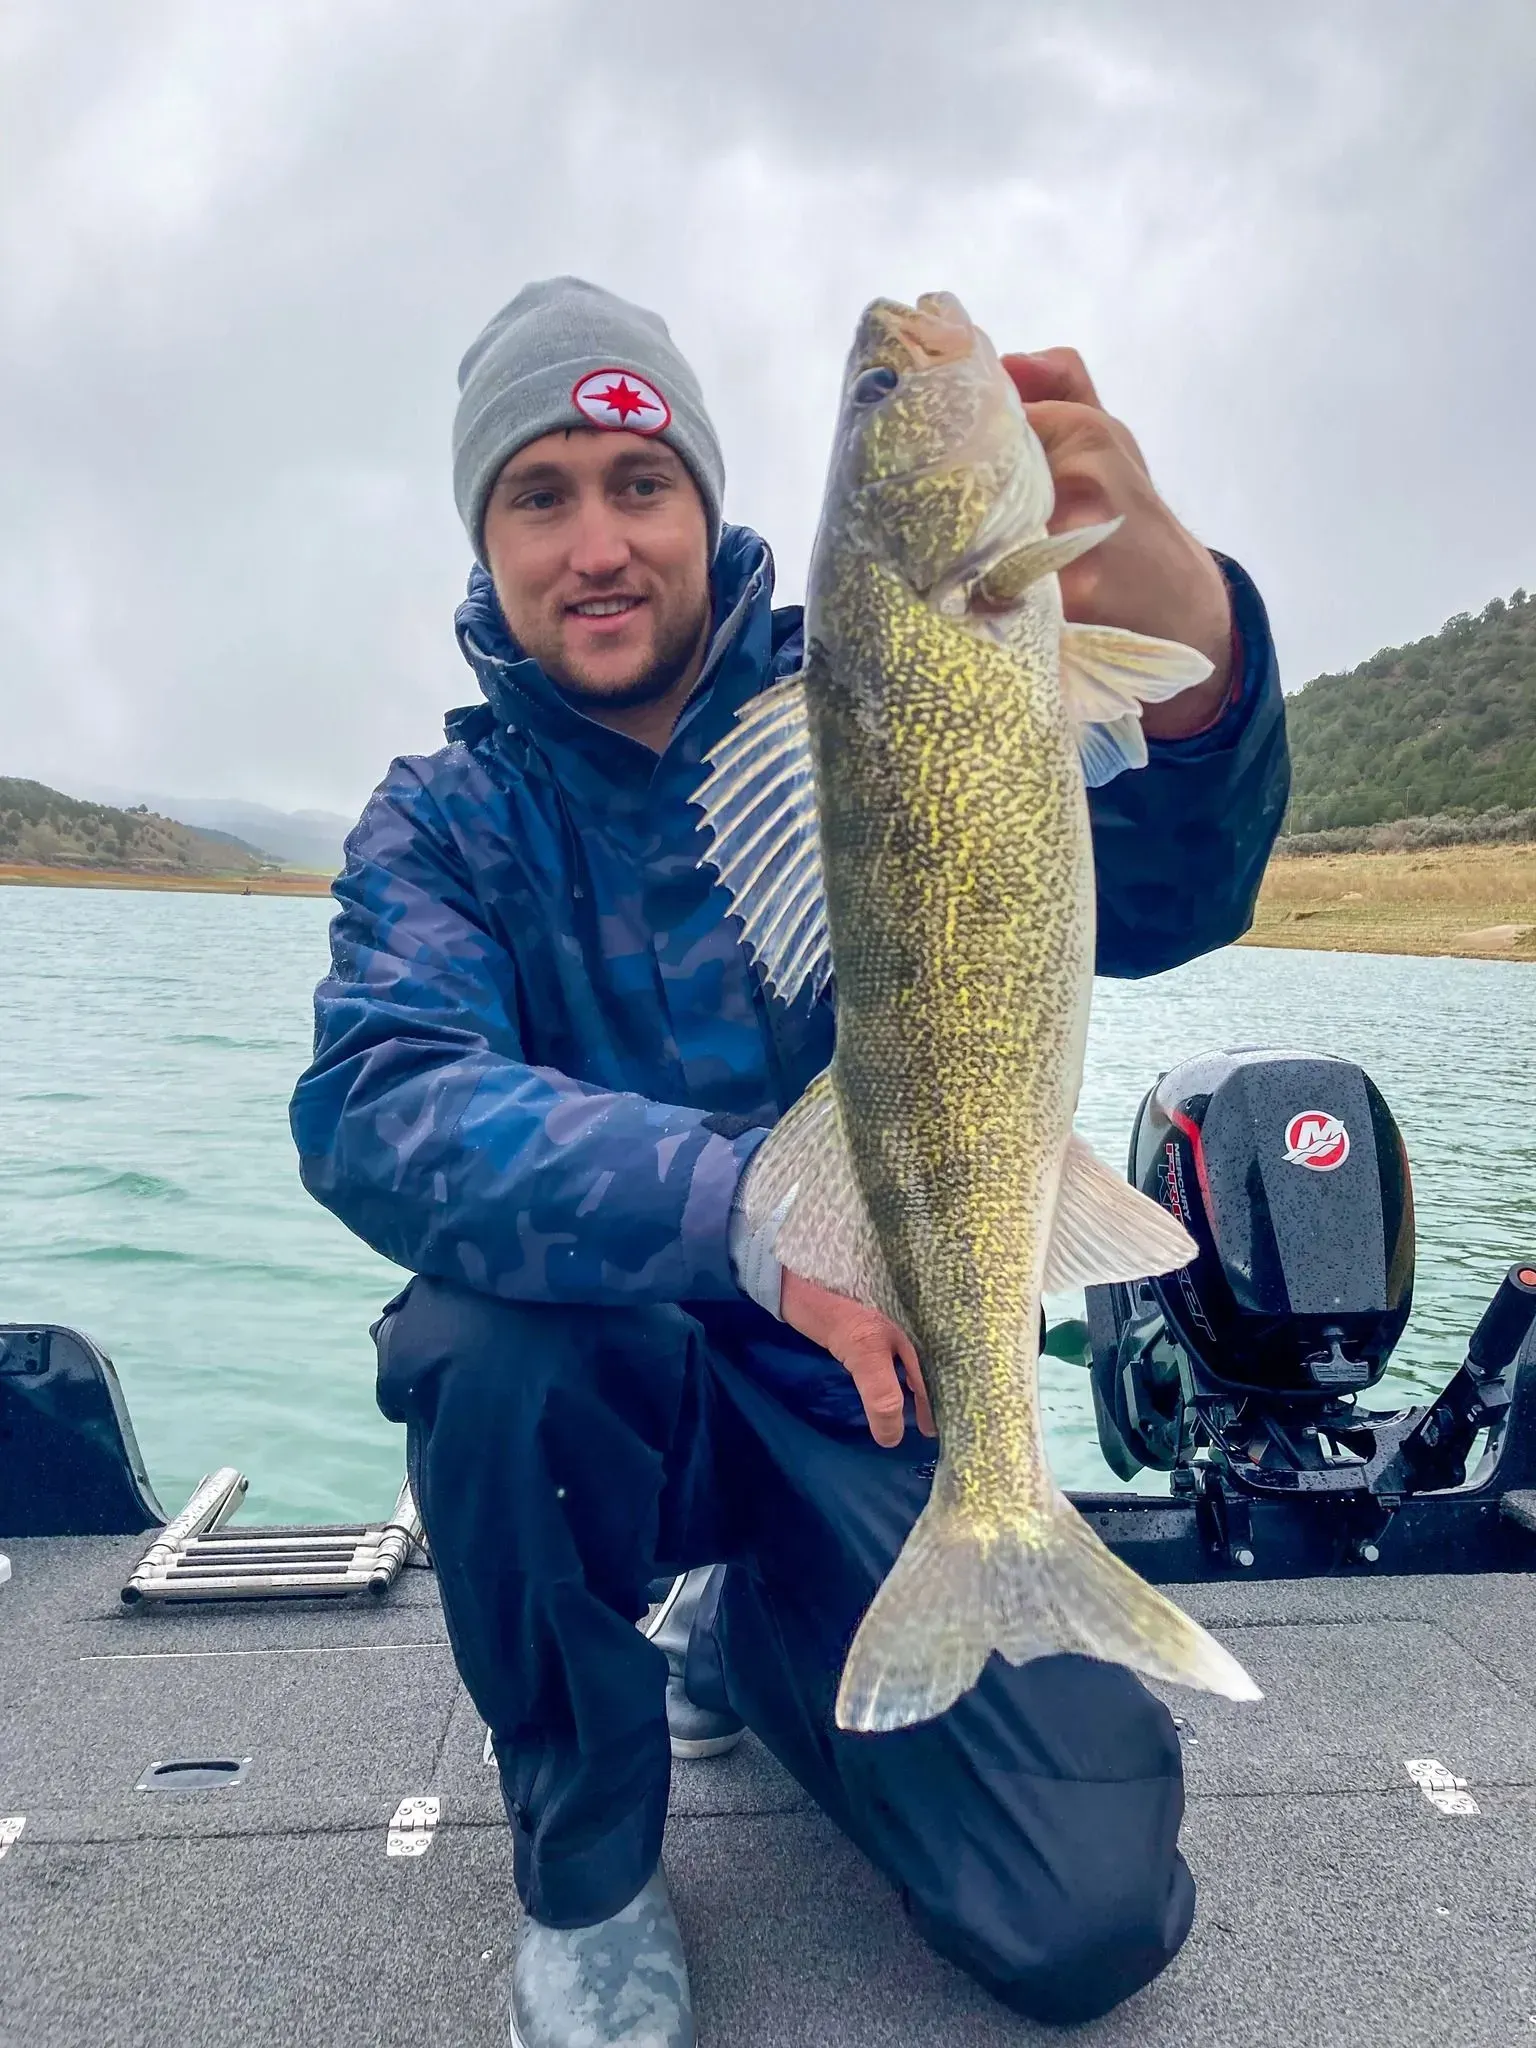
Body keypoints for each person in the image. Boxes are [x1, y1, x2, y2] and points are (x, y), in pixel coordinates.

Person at [291, 277, 1289, 2047]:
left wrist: (1194, 636)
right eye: (541, 495)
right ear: (487, 536)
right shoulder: (444, 825)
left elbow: (1172, 895)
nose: (597, 542)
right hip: (629, 1403)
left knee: (1087, 1918)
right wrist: (748, 1215)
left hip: (888, 1404)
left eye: (637, 483)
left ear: (708, 500)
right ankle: (588, 1880)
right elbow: (379, 1102)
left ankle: (753, 1635)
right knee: (483, 1346)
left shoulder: (888, 680)